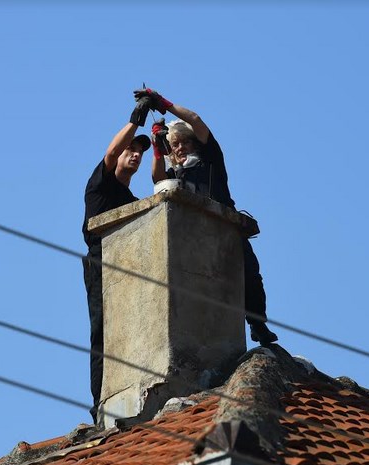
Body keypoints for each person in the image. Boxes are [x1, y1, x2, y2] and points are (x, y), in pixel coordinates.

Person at [135, 87, 279, 346]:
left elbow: (196, 121)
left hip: (226, 229)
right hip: (193, 236)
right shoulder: (176, 176)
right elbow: (157, 180)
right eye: (175, 144)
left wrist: (163, 103)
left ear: (195, 144)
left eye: (185, 142)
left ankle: (257, 325)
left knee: (250, 276)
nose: (179, 148)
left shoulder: (211, 160)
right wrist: (158, 148)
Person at [82, 97, 151, 423]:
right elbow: (111, 152)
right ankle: (100, 407)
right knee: (102, 335)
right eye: (132, 149)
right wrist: (136, 119)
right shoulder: (100, 183)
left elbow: (160, 186)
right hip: (100, 262)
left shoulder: (130, 201)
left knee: (128, 333)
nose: (136, 154)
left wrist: (161, 143)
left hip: (124, 266)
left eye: (141, 150)